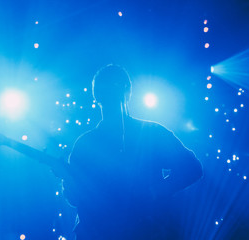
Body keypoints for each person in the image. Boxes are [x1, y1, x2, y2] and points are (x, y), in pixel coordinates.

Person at [63, 64, 203, 239]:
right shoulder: (86, 143)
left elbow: (192, 168)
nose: (112, 95)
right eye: (107, 90)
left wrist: (154, 192)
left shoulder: (150, 132)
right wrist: (68, 179)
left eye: (115, 89)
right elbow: (75, 198)